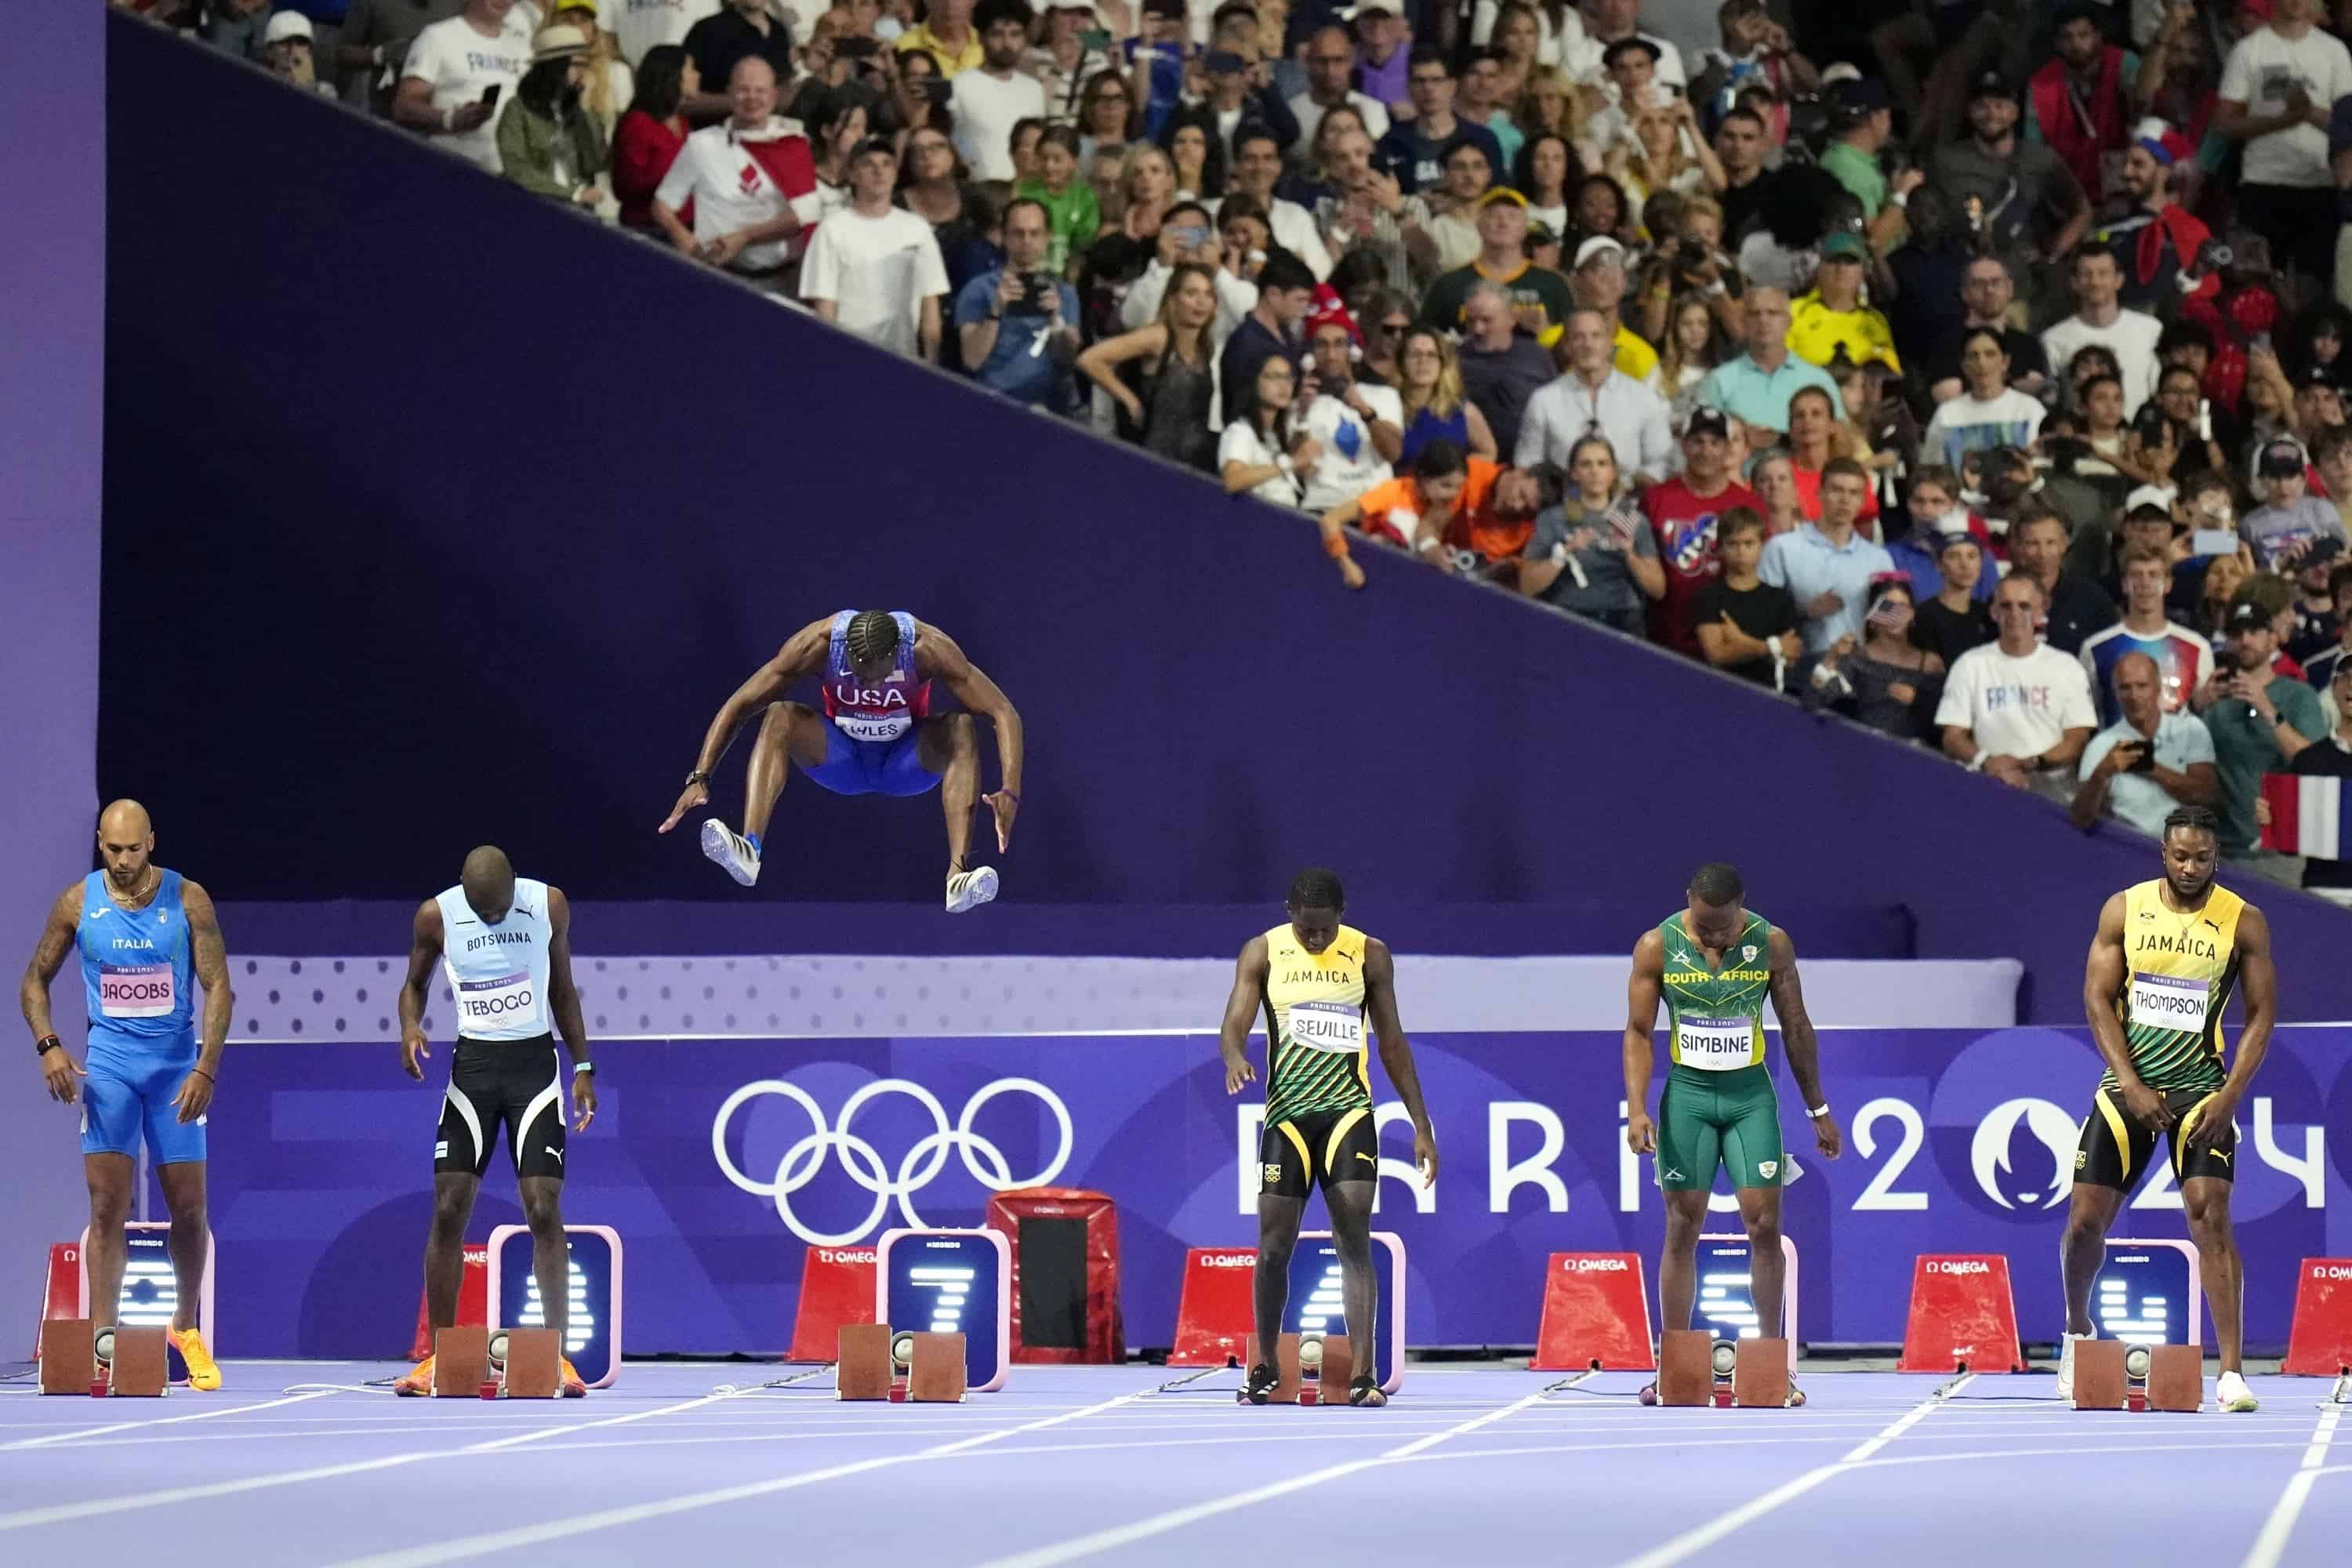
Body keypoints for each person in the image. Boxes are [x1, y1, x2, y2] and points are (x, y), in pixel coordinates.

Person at [2060, 805, 2275, 1415]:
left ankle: (2231, 1372)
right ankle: (2077, 1334)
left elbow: (2261, 1014)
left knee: (2211, 1216)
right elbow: (2098, 999)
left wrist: (2230, 1096)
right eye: (2180, 856)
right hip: (2129, 1087)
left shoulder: (2243, 921)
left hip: (2201, 1089)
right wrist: (2129, 1082)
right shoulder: (2124, 909)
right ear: (2163, 852)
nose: (2190, 867)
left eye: (2202, 858)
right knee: (2083, 1223)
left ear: (2216, 857)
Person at [20, 800, 230, 1392]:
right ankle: (104, 1340)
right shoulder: (77, 902)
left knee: (188, 1211)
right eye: (113, 850)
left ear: (152, 843)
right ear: (100, 844)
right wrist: (49, 1045)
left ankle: (184, 1327)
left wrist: (206, 1069)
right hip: (109, 1069)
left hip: (174, 1073)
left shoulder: (189, 901)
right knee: (106, 1210)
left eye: (133, 849)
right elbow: (34, 978)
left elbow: (218, 988)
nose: (123, 861)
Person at [1624, 862, 1841, 1407]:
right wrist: (1637, 1107)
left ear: (1741, 907)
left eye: (1724, 928)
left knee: (1764, 1225)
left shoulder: (1772, 943)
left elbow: (1796, 1027)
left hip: (1750, 1099)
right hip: (1689, 1098)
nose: (1715, 938)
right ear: (1688, 902)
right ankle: (1672, 1365)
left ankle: (1772, 1365)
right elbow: (1639, 1031)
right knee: (1682, 1224)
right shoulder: (1657, 945)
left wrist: (1818, 1107)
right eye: (1704, 927)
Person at [1217, 868, 1436, 1408]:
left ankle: (1364, 1375)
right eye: (1306, 928)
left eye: (1324, 929)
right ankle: (1265, 1365)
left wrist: (1421, 1124)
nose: (1315, 939)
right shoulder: (1262, 951)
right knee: (1272, 1247)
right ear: (1291, 912)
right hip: (1287, 1119)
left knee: (1354, 1242)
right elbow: (1234, 1024)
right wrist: (1234, 1057)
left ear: (1341, 914)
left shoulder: (1369, 954)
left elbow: (1392, 1043)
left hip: (1348, 1116)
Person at [392, 847, 594, 1399]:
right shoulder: (437, 915)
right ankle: (439, 1355)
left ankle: (559, 1356)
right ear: (464, 891)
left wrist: (583, 1066)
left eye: (500, 908)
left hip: (533, 1071)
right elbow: (414, 984)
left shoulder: (547, 904)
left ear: (513, 887)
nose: (493, 917)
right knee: (449, 1207)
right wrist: (410, 1027)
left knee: (544, 1207)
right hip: (473, 1074)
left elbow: (562, 989)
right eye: (483, 912)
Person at [657, 609, 1023, 911]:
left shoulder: (929, 649)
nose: (868, 690)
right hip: (841, 758)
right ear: (845, 652)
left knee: (961, 726)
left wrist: (1010, 790)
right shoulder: (816, 645)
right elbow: (740, 704)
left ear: (897, 654)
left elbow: (1002, 712)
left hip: (905, 762)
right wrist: (700, 776)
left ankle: (958, 875)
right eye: (860, 678)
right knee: (780, 714)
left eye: (877, 681)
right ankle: (750, 848)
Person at [2215, 0, 2352, 290]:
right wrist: (2285, 119)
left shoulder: (2334, 51)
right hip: (2262, 183)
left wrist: (2308, 111)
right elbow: (2224, 123)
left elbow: (2347, 124)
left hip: (2321, 185)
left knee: (2314, 285)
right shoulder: (2249, 49)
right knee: (2255, 285)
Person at [652, 56, 819, 289]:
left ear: (774, 96)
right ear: (729, 93)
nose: (752, 98)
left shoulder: (793, 143)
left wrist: (744, 237)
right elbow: (662, 205)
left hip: (783, 280)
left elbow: (806, 215)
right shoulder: (701, 143)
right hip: (718, 278)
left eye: (760, 91)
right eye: (743, 90)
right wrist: (683, 239)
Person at [1937, 573, 2101, 803]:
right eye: (2006, 606)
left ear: (2040, 612)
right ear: (1994, 612)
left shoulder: (2066, 667)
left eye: (2024, 606)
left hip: (2052, 793)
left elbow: (2077, 738)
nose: (2014, 614)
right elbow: (1952, 736)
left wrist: (2032, 764)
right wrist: (1988, 761)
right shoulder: (1970, 664)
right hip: (1988, 787)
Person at [2202, 598, 2331, 884]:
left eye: (2255, 631)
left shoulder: (2299, 695)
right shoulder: (2215, 702)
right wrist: (2194, 708)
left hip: (2282, 852)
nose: (2246, 640)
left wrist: (2268, 710)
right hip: (2226, 851)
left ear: (2274, 638)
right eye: (2237, 633)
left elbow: (2317, 765)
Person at [800, 138, 949, 359]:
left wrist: (932, 362)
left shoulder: (918, 229)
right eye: (868, 164)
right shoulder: (832, 229)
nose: (879, 171)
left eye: (887, 163)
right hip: (847, 357)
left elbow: (930, 302)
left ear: (896, 174)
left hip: (903, 358)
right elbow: (825, 306)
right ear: (852, 175)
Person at [1642, 405, 1757, 655]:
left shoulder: (1750, 504)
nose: (1706, 451)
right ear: (1683, 446)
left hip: (1729, 641)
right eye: (1698, 442)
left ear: (1727, 450)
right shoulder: (1655, 498)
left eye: (1715, 443)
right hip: (1663, 637)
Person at [1521, 434, 1663, 631]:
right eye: (1586, 464)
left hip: (1622, 618)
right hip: (1567, 616)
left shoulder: (1632, 519)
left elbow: (1658, 589)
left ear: (1613, 471)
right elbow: (1527, 586)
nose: (1595, 471)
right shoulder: (1553, 519)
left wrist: (1631, 557)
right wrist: (1562, 554)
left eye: (1602, 464)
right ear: (1574, 473)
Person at [1515, 307, 1672, 485]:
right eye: (1578, 337)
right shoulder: (1544, 400)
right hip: (1564, 504)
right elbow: (1527, 464)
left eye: (1596, 336)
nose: (1588, 345)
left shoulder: (1644, 398)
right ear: (1567, 346)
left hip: (1627, 503)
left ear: (1610, 343)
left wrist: (1627, 485)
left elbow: (1660, 463)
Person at [2072, 652, 2222, 836]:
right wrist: (2100, 775)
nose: (2134, 696)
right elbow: (2080, 820)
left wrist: (2151, 767)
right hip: (2130, 851)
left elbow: (2207, 798)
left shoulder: (2191, 729)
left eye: (2142, 686)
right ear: (2115, 693)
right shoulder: (2101, 745)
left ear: (2158, 687)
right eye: (2125, 688)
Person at [1758, 458, 1893, 654]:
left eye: (1854, 493)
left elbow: (1891, 624)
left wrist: (1893, 614)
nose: (1845, 500)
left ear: (1863, 501)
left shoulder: (1880, 559)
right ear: (1819, 493)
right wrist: (1805, 611)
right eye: (1837, 490)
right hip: (1799, 668)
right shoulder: (1782, 548)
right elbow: (1761, 614)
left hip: (1858, 670)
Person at [956, 197, 1082, 408]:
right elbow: (971, 359)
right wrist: (995, 312)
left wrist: (1056, 322)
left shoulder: (1064, 293)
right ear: (1004, 237)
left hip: (1048, 407)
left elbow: (1067, 364)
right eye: (1018, 233)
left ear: (1047, 237)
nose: (1026, 241)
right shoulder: (978, 289)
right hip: (992, 402)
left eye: (1035, 233)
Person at [2079, 543, 2217, 728]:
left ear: (2168, 584)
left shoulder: (2197, 647)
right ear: (2124, 585)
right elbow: (2086, 715)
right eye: (2137, 575)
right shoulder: (2096, 648)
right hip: (2117, 752)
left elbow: (2205, 712)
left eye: (2153, 575)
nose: (2145, 583)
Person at [393, 0, 533, 176]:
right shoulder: (437, 37)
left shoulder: (524, 48)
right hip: (451, 168)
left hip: (508, 176)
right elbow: (404, 107)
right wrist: (451, 119)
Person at [1695, 288, 1842, 444]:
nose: (1763, 320)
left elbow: (1839, 437)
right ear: (1744, 322)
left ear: (1789, 322)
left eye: (1772, 313)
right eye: (1754, 314)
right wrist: (1742, 436)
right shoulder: (1719, 380)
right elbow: (1703, 439)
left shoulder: (1818, 379)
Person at [1806, 575, 1944, 739]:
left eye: (1902, 607)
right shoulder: (1856, 658)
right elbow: (1813, 701)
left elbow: (1948, 718)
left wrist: (1918, 700)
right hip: (1863, 749)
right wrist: (1830, 659)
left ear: (1912, 615)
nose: (1896, 615)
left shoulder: (1931, 663)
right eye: (1888, 607)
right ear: (1873, 615)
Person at [499, 24, 611, 207]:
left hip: (578, 212)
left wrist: (585, 108)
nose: (583, 73)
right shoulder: (517, 110)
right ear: (554, 67)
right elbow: (516, 168)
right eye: (576, 65)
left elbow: (597, 161)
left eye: (585, 65)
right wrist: (572, 194)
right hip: (537, 208)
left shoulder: (578, 110)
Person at [1690, 506, 1799, 688]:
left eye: (1749, 544)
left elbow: (1790, 657)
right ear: (1721, 548)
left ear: (1762, 546)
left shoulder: (1780, 598)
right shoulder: (1708, 596)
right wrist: (1771, 648)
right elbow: (1717, 655)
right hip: (1719, 691)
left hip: (1768, 695)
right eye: (1733, 544)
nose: (1741, 552)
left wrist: (1740, 641)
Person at [950, 0, 1044, 183]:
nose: (1007, 43)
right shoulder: (960, 84)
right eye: (997, 34)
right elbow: (951, 140)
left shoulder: (1034, 89)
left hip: (1027, 193)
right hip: (979, 193)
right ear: (981, 38)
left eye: (1015, 34)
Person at [611, 43, 695, 233]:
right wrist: (680, 176)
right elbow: (624, 188)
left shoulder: (682, 121)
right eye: (691, 69)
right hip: (648, 230)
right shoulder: (638, 123)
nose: (698, 75)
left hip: (688, 226)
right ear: (674, 76)